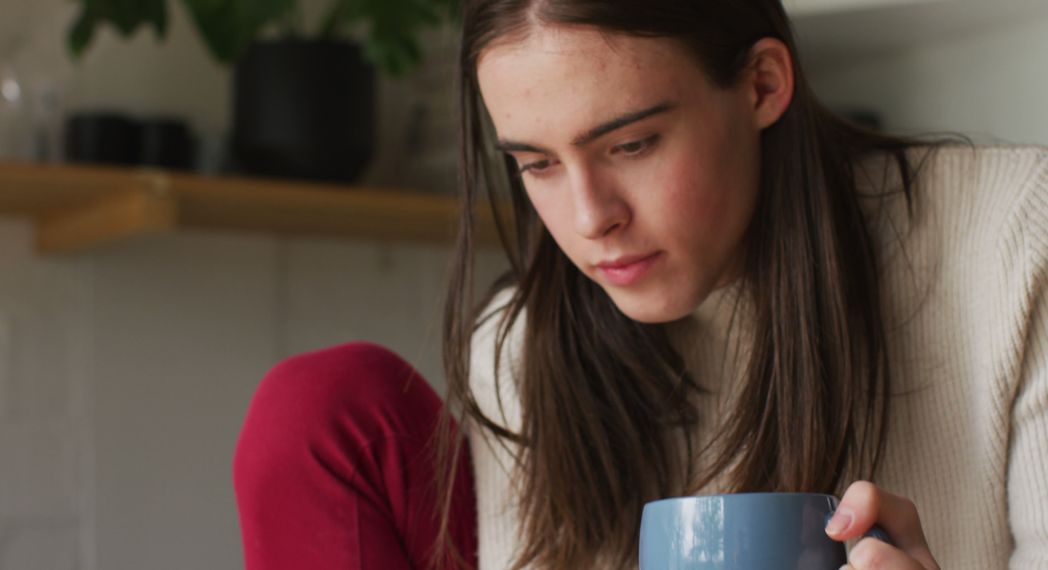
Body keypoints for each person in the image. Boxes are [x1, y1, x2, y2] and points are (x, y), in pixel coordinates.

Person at [233, 0, 1048, 569]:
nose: (590, 219)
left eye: (632, 144)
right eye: (537, 165)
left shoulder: (1013, 237)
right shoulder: (523, 342)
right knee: (318, 407)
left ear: (763, 84)